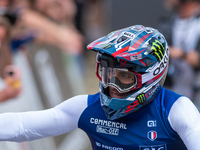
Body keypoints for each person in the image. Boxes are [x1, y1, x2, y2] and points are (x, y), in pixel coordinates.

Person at [0, 25, 200, 150]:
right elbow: (21, 126)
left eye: (124, 76)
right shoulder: (86, 108)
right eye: (107, 73)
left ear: (152, 76)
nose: (111, 86)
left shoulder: (177, 110)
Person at [158, 0, 200, 100]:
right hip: (172, 86)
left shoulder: (197, 25)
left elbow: (196, 59)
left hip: (195, 88)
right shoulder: (168, 23)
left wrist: (181, 54)